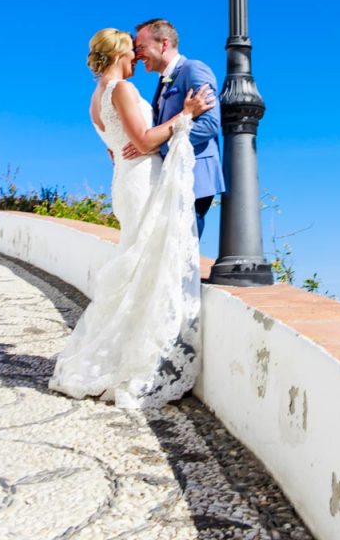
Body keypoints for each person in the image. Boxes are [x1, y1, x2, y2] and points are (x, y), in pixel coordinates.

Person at [48, 27, 214, 409]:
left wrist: (139, 143)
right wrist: (185, 115)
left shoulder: (96, 98)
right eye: (133, 52)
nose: (138, 58)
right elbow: (141, 142)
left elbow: (116, 149)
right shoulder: (120, 89)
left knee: (140, 262)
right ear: (120, 54)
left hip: (126, 178)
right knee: (147, 265)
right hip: (141, 179)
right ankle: (140, 360)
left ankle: (124, 355)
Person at [124, 19, 224, 238]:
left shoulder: (194, 70)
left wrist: (155, 147)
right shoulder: (163, 81)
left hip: (193, 177)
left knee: (183, 251)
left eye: (141, 47)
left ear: (164, 44)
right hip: (172, 177)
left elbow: (209, 124)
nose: (137, 55)